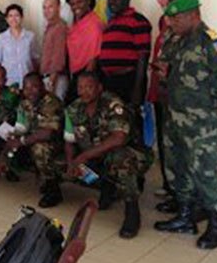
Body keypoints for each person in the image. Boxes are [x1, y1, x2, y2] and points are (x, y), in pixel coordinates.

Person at [153, 0, 217, 250]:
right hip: (174, 117)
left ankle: (216, 226)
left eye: (177, 18)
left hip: (201, 124)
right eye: (170, 17)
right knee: (177, 168)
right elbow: (164, 65)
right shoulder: (173, 38)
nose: (171, 22)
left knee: (205, 173)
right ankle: (185, 217)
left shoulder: (212, 43)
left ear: (194, 15)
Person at [63, 72, 152, 239]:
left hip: (131, 156)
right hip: (97, 157)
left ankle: (132, 210)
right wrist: (71, 163)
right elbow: (69, 141)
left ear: (99, 88)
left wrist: (84, 156)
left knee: (120, 159)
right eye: (80, 87)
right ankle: (107, 187)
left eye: (89, 87)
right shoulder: (73, 109)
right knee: (67, 166)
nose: (84, 92)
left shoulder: (113, 104)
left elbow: (119, 138)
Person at [3, 73, 64, 208]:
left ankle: (53, 189)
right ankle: (27, 173)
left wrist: (21, 141)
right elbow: (20, 127)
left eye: (34, 87)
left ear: (42, 86)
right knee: (10, 140)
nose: (30, 91)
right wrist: (10, 142)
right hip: (33, 138)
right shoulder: (25, 103)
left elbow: (48, 133)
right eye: (26, 88)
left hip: (58, 144)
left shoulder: (51, 103)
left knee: (39, 149)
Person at [149, 0, 184, 206]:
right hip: (160, 90)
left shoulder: (181, 24)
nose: (158, 0)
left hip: (174, 95)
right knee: (164, 141)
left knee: (175, 144)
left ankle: (179, 193)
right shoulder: (164, 21)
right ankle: (170, 186)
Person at [99, 0, 152, 106]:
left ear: (127, 0)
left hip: (128, 81)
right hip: (110, 81)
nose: (112, 2)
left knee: (129, 120)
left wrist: (137, 89)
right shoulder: (111, 22)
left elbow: (143, 57)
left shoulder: (138, 20)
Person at [65, 0, 105, 104]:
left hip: (89, 73)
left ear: (88, 2)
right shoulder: (78, 23)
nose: (75, 6)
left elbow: (94, 54)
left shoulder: (93, 23)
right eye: (72, 4)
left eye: (79, 2)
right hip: (78, 73)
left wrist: (85, 83)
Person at [0, 4, 39, 88]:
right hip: (8, 81)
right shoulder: (1, 38)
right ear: (6, 19)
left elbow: (35, 59)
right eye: (10, 16)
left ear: (22, 17)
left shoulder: (30, 36)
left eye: (17, 15)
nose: (13, 19)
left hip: (27, 82)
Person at [40, 0, 68, 99]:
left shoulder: (60, 27)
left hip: (55, 78)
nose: (46, 10)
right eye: (44, 7)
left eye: (50, 7)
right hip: (47, 77)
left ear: (59, 8)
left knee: (54, 110)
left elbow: (58, 57)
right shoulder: (49, 27)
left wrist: (52, 81)